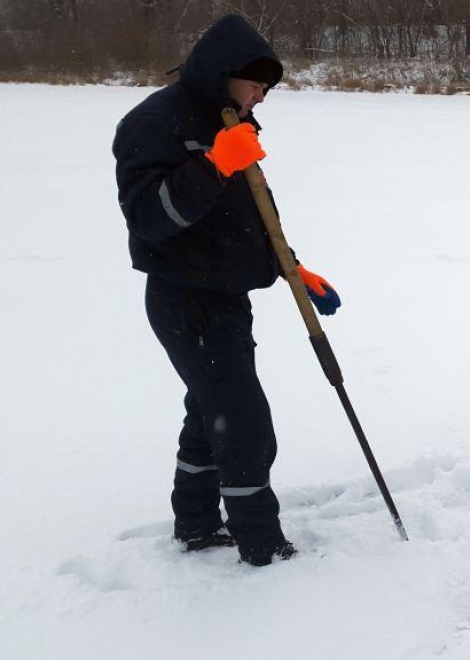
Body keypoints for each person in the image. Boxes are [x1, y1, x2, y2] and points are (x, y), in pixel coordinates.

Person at [112, 15, 341, 566]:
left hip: (225, 296)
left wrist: (291, 267)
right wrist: (213, 165)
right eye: (256, 85)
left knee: (209, 413)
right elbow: (149, 218)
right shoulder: (154, 122)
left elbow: (246, 215)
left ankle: (195, 525)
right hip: (185, 300)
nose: (261, 97)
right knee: (243, 423)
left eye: (266, 90)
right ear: (224, 72)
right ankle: (262, 546)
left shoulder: (230, 120)